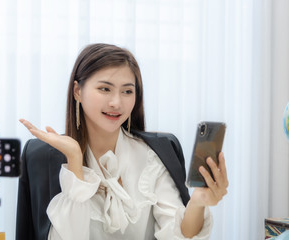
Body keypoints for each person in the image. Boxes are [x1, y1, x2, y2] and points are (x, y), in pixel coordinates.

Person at [16, 43, 228, 240]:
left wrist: (198, 202)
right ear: (78, 91)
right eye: (105, 89)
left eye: (127, 91)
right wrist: (74, 161)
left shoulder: (155, 155)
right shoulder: (41, 156)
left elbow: (176, 235)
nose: (116, 102)